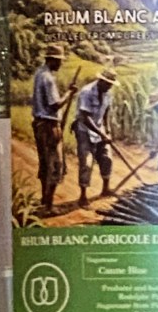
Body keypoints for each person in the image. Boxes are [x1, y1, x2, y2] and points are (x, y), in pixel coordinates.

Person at [32, 43, 77, 214]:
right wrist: (70, 93)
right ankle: (49, 206)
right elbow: (54, 105)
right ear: (52, 60)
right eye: (59, 61)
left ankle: (44, 200)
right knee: (56, 165)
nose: (60, 64)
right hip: (49, 126)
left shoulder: (39, 73)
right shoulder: (48, 78)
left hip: (39, 124)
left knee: (44, 162)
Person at [72, 68, 118, 207]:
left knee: (107, 157)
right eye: (108, 83)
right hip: (84, 130)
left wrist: (107, 130)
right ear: (101, 81)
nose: (109, 86)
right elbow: (85, 118)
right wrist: (102, 134)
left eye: (111, 84)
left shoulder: (108, 93)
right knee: (87, 162)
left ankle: (105, 189)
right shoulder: (87, 92)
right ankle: (83, 196)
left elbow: (106, 112)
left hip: (99, 128)